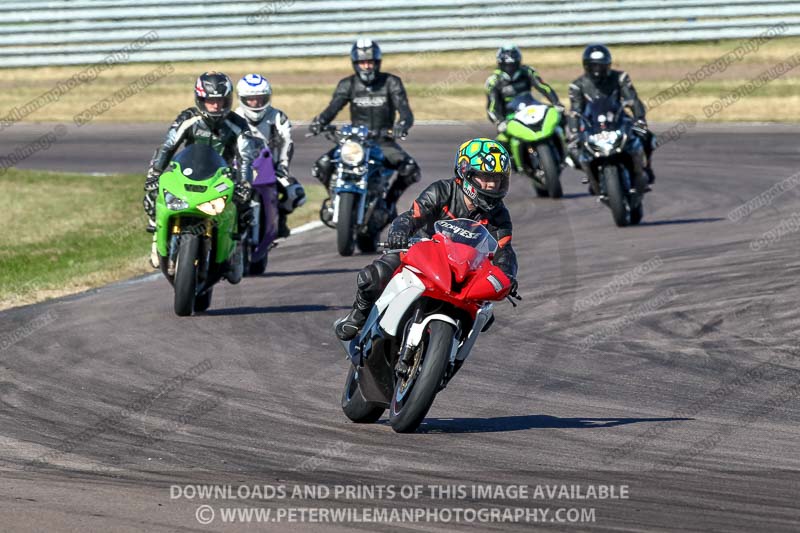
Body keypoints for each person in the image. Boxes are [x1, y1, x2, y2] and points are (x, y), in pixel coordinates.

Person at [335, 138, 519, 341]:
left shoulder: (499, 214)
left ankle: (453, 345)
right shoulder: (441, 191)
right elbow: (411, 216)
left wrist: (507, 274)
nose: (492, 184)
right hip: (420, 254)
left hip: (464, 270)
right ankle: (358, 316)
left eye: (498, 179)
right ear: (465, 172)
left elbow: (504, 249)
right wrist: (400, 232)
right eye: (486, 177)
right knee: (375, 275)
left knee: (485, 313)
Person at [143, 71, 257, 248]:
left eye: (221, 100)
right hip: (186, 172)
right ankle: (157, 238)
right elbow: (168, 146)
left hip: (222, 177)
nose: (216, 105)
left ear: (228, 100)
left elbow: (246, 158)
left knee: (245, 206)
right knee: (153, 195)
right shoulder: (188, 118)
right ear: (200, 99)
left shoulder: (239, 124)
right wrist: (154, 173)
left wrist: (245, 184)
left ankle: (237, 248)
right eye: (210, 100)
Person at [309, 38, 420, 212]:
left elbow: (405, 112)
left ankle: (389, 203)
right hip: (355, 142)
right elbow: (332, 108)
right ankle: (334, 201)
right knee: (322, 165)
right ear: (355, 64)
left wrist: (402, 125)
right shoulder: (347, 84)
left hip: (383, 141)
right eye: (362, 62)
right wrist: (320, 122)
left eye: (370, 62)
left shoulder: (391, 82)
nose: (366, 66)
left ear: (377, 63)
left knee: (410, 169)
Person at [567, 44, 656, 192]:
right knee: (572, 149)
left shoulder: (620, 78)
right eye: (593, 66)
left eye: (601, 66)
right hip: (592, 124)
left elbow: (633, 99)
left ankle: (645, 168)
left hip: (618, 119)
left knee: (645, 135)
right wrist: (574, 132)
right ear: (586, 66)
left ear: (608, 65)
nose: (597, 70)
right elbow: (575, 111)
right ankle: (592, 176)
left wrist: (639, 118)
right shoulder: (577, 85)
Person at [235, 73, 306, 238]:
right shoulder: (234, 117)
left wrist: (282, 166)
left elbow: (287, 141)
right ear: (242, 99)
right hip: (240, 168)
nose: (256, 103)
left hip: (271, 169)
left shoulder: (277, 116)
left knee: (296, 194)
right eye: (251, 99)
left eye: (260, 98)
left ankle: (280, 218)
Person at [485, 44, 563, 156]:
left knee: (560, 118)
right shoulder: (493, 81)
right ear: (500, 64)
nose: (510, 69)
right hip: (509, 117)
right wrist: (499, 121)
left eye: (513, 65)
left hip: (532, 108)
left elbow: (543, 87)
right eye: (507, 65)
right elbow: (492, 107)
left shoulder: (527, 71)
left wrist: (556, 102)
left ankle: (568, 148)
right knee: (499, 146)